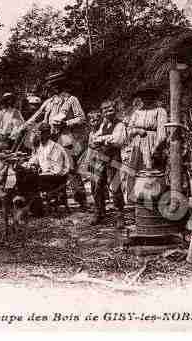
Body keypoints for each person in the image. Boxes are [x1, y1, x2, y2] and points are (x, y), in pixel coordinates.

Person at [21, 72, 88, 210]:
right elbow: (36, 116)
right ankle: (58, 199)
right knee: (52, 170)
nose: (53, 88)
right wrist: (22, 127)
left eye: (56, 85)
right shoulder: (49, 101)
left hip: (66, 139)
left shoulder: (71, 100)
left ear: (61, 85)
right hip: (50, 140)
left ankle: (81, 200)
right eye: (51, 86)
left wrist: (67, 123)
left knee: (71, 169)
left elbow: (82, 118)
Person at [88, 100, 127, 228]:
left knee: (115, 185)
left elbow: (117, 140)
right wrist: (104, 139)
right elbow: (94, 140)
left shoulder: (120, 124)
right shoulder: (102, 125)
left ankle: (120, 215)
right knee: (96, 184)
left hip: (113, 158)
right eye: (105, 110)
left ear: (115, 110)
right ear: (102, 112)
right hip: (100, 157)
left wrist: (102, 140)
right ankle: (99, 211)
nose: (108, 111)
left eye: (110, 109)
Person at [125, 86, 168, 202]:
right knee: (136, 170)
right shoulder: (137, 113)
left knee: (151, 172)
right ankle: (135, 201)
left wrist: (156, 147)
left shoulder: (160, 111)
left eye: (149, 96)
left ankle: (152, 202)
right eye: (144, 97)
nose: (146, 99)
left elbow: (162, 132)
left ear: (154, 97)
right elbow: (128, 130)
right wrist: (137, 131)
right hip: (137, 145)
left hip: (152, 142)